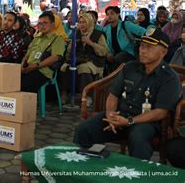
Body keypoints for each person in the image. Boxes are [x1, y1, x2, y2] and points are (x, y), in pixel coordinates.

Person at [73, 28, 181, 160]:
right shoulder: (130, 67)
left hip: (146, 122)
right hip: (120, 116)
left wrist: (129, 121)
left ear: (163, 52)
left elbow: (161, 112)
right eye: (142, 45)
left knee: (138, 138)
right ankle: (85, 165)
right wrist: (110, 115)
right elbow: (113, 95)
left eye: (149, 47)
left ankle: (136, 175)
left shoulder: (169, 77)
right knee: (84, 129)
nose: (143, 50)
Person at [60, 14, 108, 104]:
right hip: (79, 59)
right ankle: (64, 93)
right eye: (80, 22)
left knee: (84, 68)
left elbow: (104, 51)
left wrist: (91, 43)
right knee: (64, 67)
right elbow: (69, 50)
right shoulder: (76, 33)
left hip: (94, 60)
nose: (82, 25)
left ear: (89, 23)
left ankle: (87, 96)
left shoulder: (98, 34)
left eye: (84, 22)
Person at [20, 11, 65, 92]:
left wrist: (37, 65)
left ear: (52, 24)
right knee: (12, 80)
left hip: (42, 70)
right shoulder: (37, 38)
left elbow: (55, 57)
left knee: (24, 85)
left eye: (45, 23)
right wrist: (23, 62)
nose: (41, 26)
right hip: (29, 67)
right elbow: (28, 52)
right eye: (39, 23)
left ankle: (27, 103)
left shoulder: (57, 39)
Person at [102, 6, 146, 72]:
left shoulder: (126, 24)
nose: (109, 16)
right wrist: (108, 53)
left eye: (112, 13)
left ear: (118, 14)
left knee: (118, 58)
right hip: (114, 53)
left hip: (129, 52)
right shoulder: (106, 29)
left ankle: (114, 79)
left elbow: (143, 31)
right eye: (107, 14)